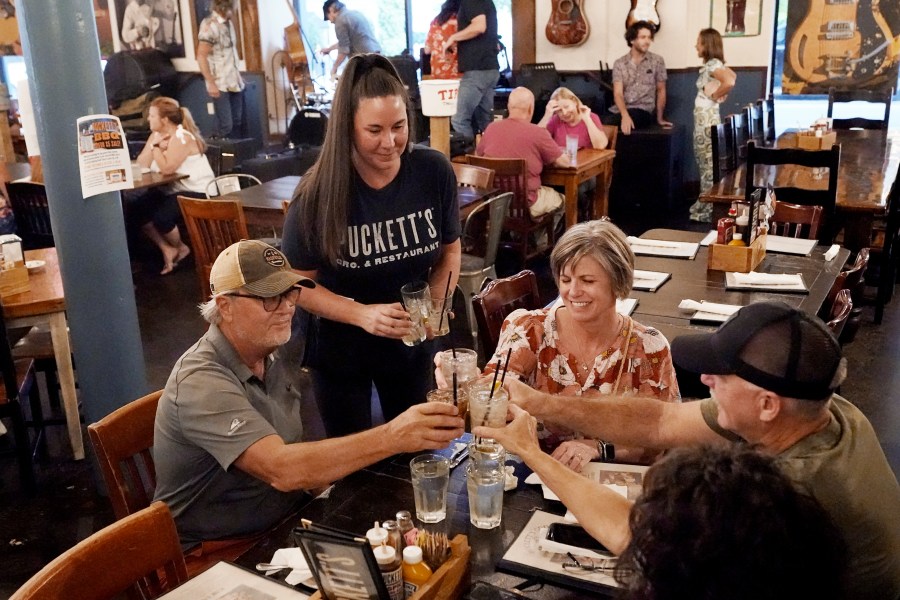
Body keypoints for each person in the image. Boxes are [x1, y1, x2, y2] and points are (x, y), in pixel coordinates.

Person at [477, 301, 900, 600]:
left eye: (722, 375)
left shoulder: (789, 491)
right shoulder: (820, 406)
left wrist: (530, 451)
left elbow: (636, 537)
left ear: (767, 404)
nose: (707, 380)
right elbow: (661, 421)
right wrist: (542, 403)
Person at [153, 240, 464, 553]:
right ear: (225, 306)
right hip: (218, 551)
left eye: (290, 293)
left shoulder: (272, 348)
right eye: (269, 298)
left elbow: (294, 456)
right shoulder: (201, 381)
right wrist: (395, 435)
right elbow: (282, 470)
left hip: (286, 522)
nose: (287, 307)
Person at [282, 54, 461, 438]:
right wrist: (363, 314)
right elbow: (295, 283)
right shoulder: (317, 193)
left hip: (411, 344)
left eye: (399, 126)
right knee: (355, 463)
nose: (390, 142)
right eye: (374, 130)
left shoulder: (432, 171)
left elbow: (450, 250)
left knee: (418, 448)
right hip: (341, 350)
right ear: (348, 128)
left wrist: (436, 304)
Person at [441, 220, 678, 469]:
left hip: (610, 486)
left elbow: (660, 439)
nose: (573, 291)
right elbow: (491, 406)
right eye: (565, 279)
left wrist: (598, 448)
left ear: (618, 283)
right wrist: (464, 385)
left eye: (587, 281)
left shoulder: (648, 347)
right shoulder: (528, 329)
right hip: (533, 479)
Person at [132, 96, 214, 274]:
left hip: (196, 190)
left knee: (162, 217)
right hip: (172, 189)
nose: (148, 119)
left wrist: (155, 148)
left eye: (152, 116)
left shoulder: (181, 136)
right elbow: (142, 164)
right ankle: (167, 248)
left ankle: (181, 247)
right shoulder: (156, 135)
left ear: (164, 119)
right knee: (136, 209)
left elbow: (168, 168)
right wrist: (155, 144)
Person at [477, 86, 567, 219]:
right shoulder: (538, 133)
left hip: (494, 203)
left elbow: (478, 156)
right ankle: (542, 239)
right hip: (527, 204)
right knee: (563, 200)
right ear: (531, 108)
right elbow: (564, 162)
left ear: (508, 106)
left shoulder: (491, 128)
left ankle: (522, 236)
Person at [688, 28, 736, 223]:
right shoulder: (714, 64)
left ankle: (707, 210)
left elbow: (730, 80)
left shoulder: (712, 65)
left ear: (707, 44)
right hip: (706, 122)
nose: (696, 46)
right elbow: (732, 75)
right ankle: (707, 206)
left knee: (707, 166)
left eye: (699, 42)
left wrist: (716, 95)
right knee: (707, 165)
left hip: (705, 124)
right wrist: (718, 93)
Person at [442, 0, 499, 138]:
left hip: (477, 70)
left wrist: (453, 38)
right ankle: (489, 156)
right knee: (486, 122)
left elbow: (479, 26)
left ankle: (469, 157)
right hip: (489, 69)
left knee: (459, 119)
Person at [603, 21, 671, 135]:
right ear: (632, 40)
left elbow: (661, 90)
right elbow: (618, 94)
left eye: (649, 37)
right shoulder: (620, 63)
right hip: (620, 110)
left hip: (643, 111)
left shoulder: (657, 61)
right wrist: (625, 115)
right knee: (596, 120)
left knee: (611, 122)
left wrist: (660, 118)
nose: (647, 41)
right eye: (643, 37)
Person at [196, 0, 245, 138]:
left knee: (237, 121)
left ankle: (236, 156)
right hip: (220, 82)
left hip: (234, 80)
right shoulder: (209, 26)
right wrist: (210, 82)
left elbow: (231, 52)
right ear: (225, 7)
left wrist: (239, 75)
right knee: (226, 124)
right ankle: (217, 152)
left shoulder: (229, 23)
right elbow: (201, 56)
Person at [318, 0, 381, 81]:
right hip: (376, 55)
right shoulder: (355, 14)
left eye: (328, 17)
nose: (330, 21)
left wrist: (334, 68)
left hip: (365, 60)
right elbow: (347, 42)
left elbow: (344, 50)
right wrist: (329, 49)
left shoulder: (340, 21)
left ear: (331, 10)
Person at [538, 87, 608, 150]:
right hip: (563, 163)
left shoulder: (591, 117)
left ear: (574, 101)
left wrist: (587, 119)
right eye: (559, 111)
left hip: (586, 162)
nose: (564, 113)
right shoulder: (555, 119)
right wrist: (547, 116)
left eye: (566, 107)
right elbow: (535, 141)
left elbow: (600, 146)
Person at [423, 0, 461, 80]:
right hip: (455, 70)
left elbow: (427, 50)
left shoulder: (435, 22)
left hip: (437, 70)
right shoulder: (459, 21)